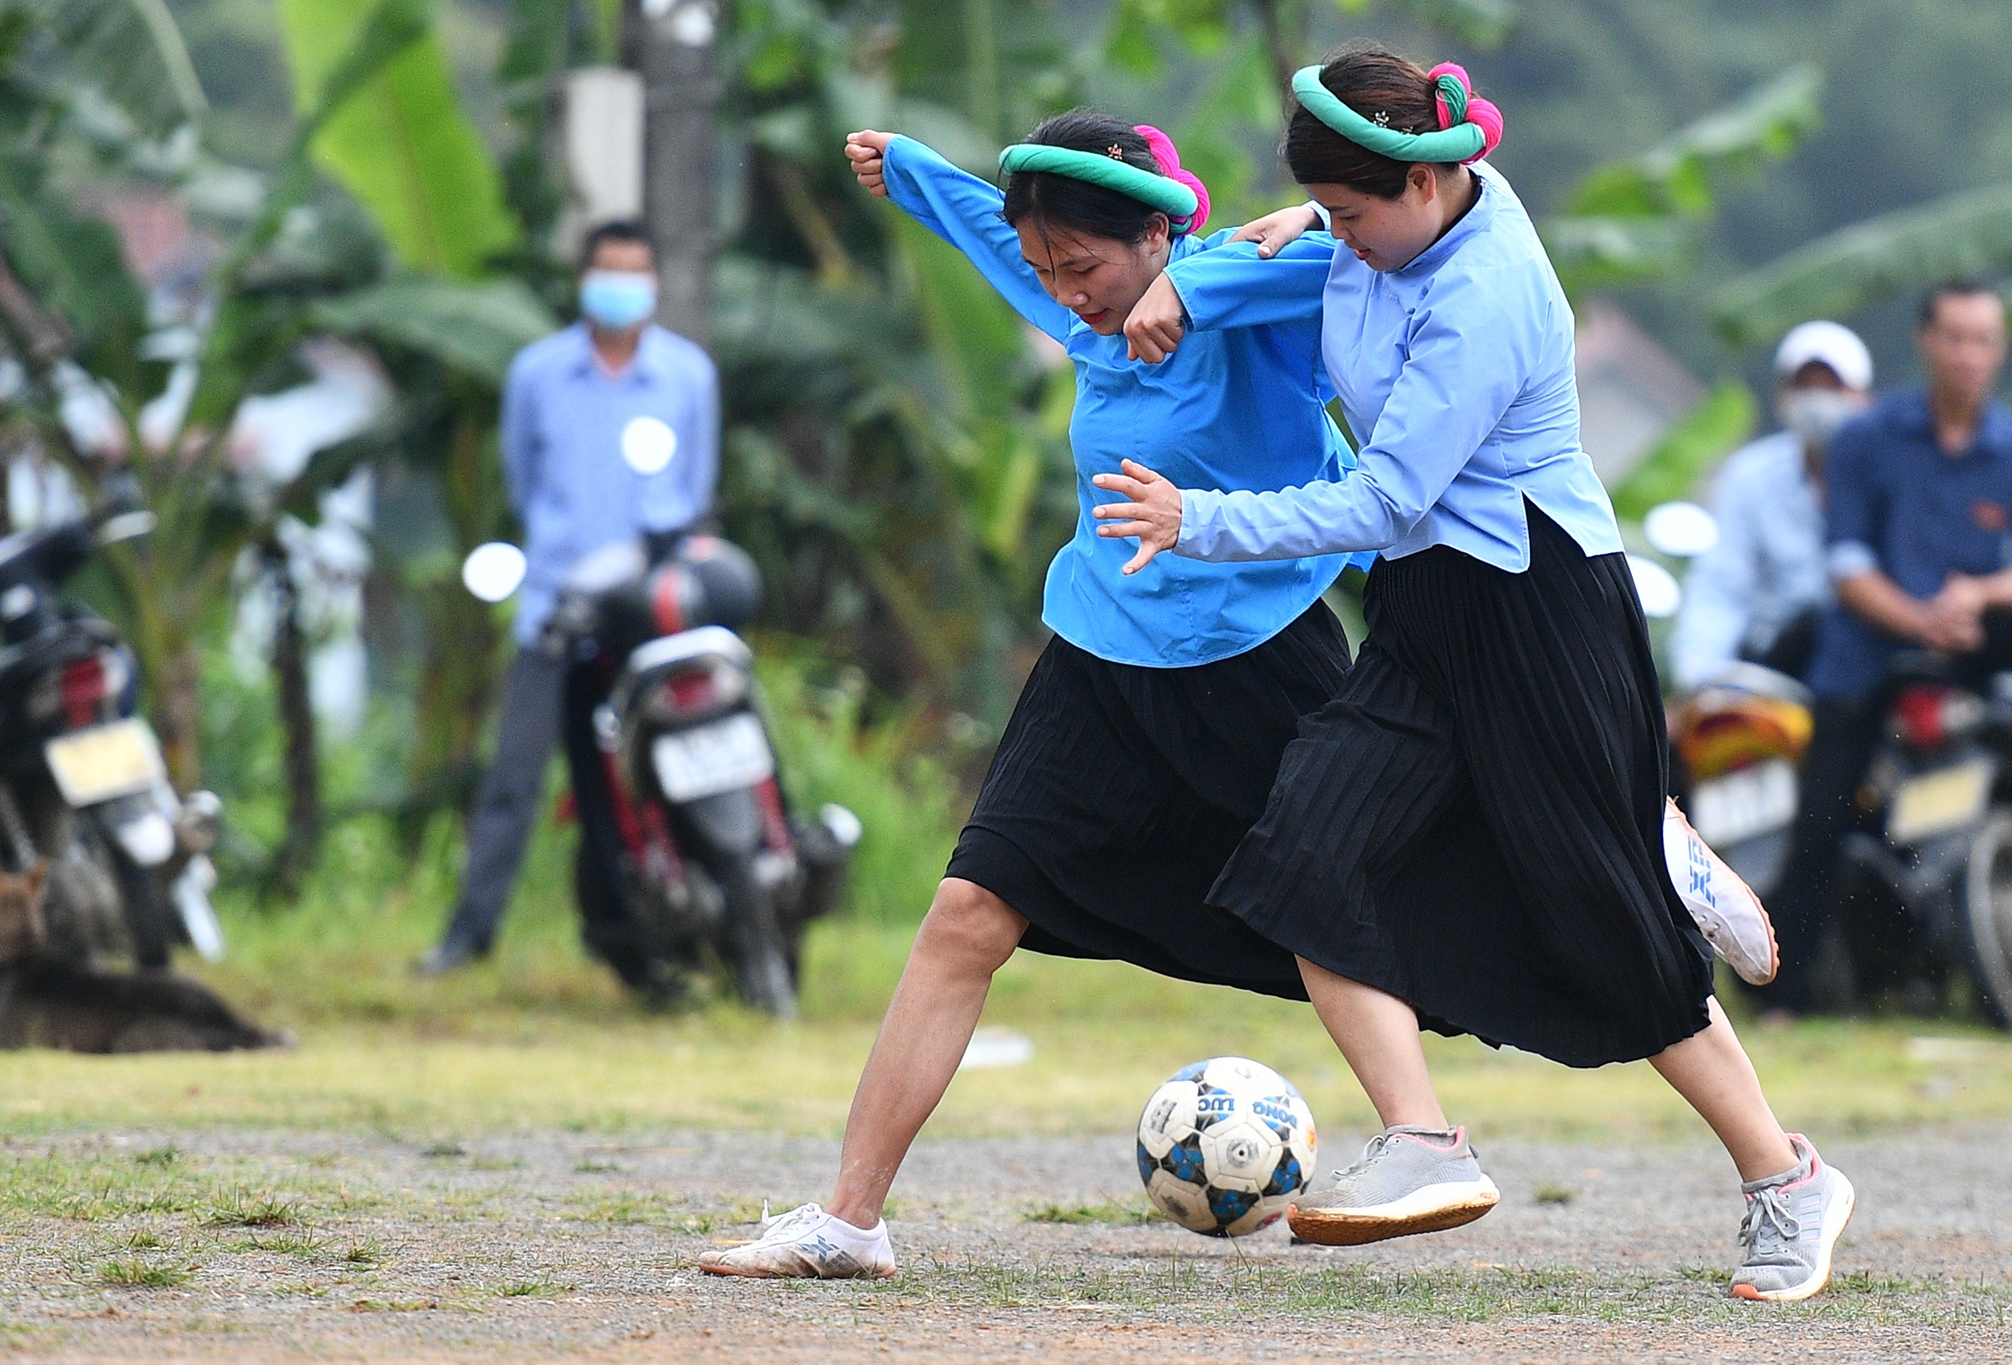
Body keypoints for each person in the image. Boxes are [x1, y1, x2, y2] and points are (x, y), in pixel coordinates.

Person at [1093, 47, 1850, 1301]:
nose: (1338, 238)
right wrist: (1262, 246)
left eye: (1349, 215)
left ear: (1423, 183)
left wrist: (1198, 521)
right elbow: (1316, 242)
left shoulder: (1483, 292)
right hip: (1425, 614)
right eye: (1325, 214)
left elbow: (1386, 497)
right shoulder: (1383, 223)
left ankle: (1784, 1177)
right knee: (1302, 855)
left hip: (1537, 609)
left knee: (1602, 923)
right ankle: (1422, 1141)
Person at [697, 112, 1369, 1279]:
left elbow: (1371, 250)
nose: (1064, 292)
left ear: (1157, 234)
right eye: (1047, 270)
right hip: (1101, 658)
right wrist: (915, 172)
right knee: (966, 912)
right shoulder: (1082, 308)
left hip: (1258, 653)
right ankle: (849, 1220)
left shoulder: (1252, 289)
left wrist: (1212, 275)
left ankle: (1557, 1039)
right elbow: (993, 239)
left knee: (1384, 913)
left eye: (1084, 266)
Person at [417, 221, 720, 975]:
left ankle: (649, 939)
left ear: (655, 282)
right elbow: (523, 481)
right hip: (552, 606)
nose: (621, 286)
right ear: (583, 280)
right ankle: (468, 935)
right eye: (607, 270)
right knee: (514, 778)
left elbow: (694, 489)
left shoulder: (687, 376)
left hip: (645, 615)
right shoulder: (537, 374)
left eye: (635, 271)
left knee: (638, 784)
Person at [1760, 281, 2012, 1017]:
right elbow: (1847, 564)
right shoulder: (1867, 439)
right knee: (1820, 822)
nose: (1968, 354)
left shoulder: (2006, 447)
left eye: (1982, 339)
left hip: (1974, 650)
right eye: (1954, 337)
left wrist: (1979, 596)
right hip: (1868, 654)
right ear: (1926, 341)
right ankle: (1786, 998)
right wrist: (1920, 619)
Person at [1672, 321, 1875, 689]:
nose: (1818, 401)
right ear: (1782, 396)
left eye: (1832, 387)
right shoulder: (1751, 475)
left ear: (1865, 399)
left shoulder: (1887, 477)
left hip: (1864, 671)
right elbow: (1721, 586)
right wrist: (1701, 677)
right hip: (1769, 672)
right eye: (1805, 386)